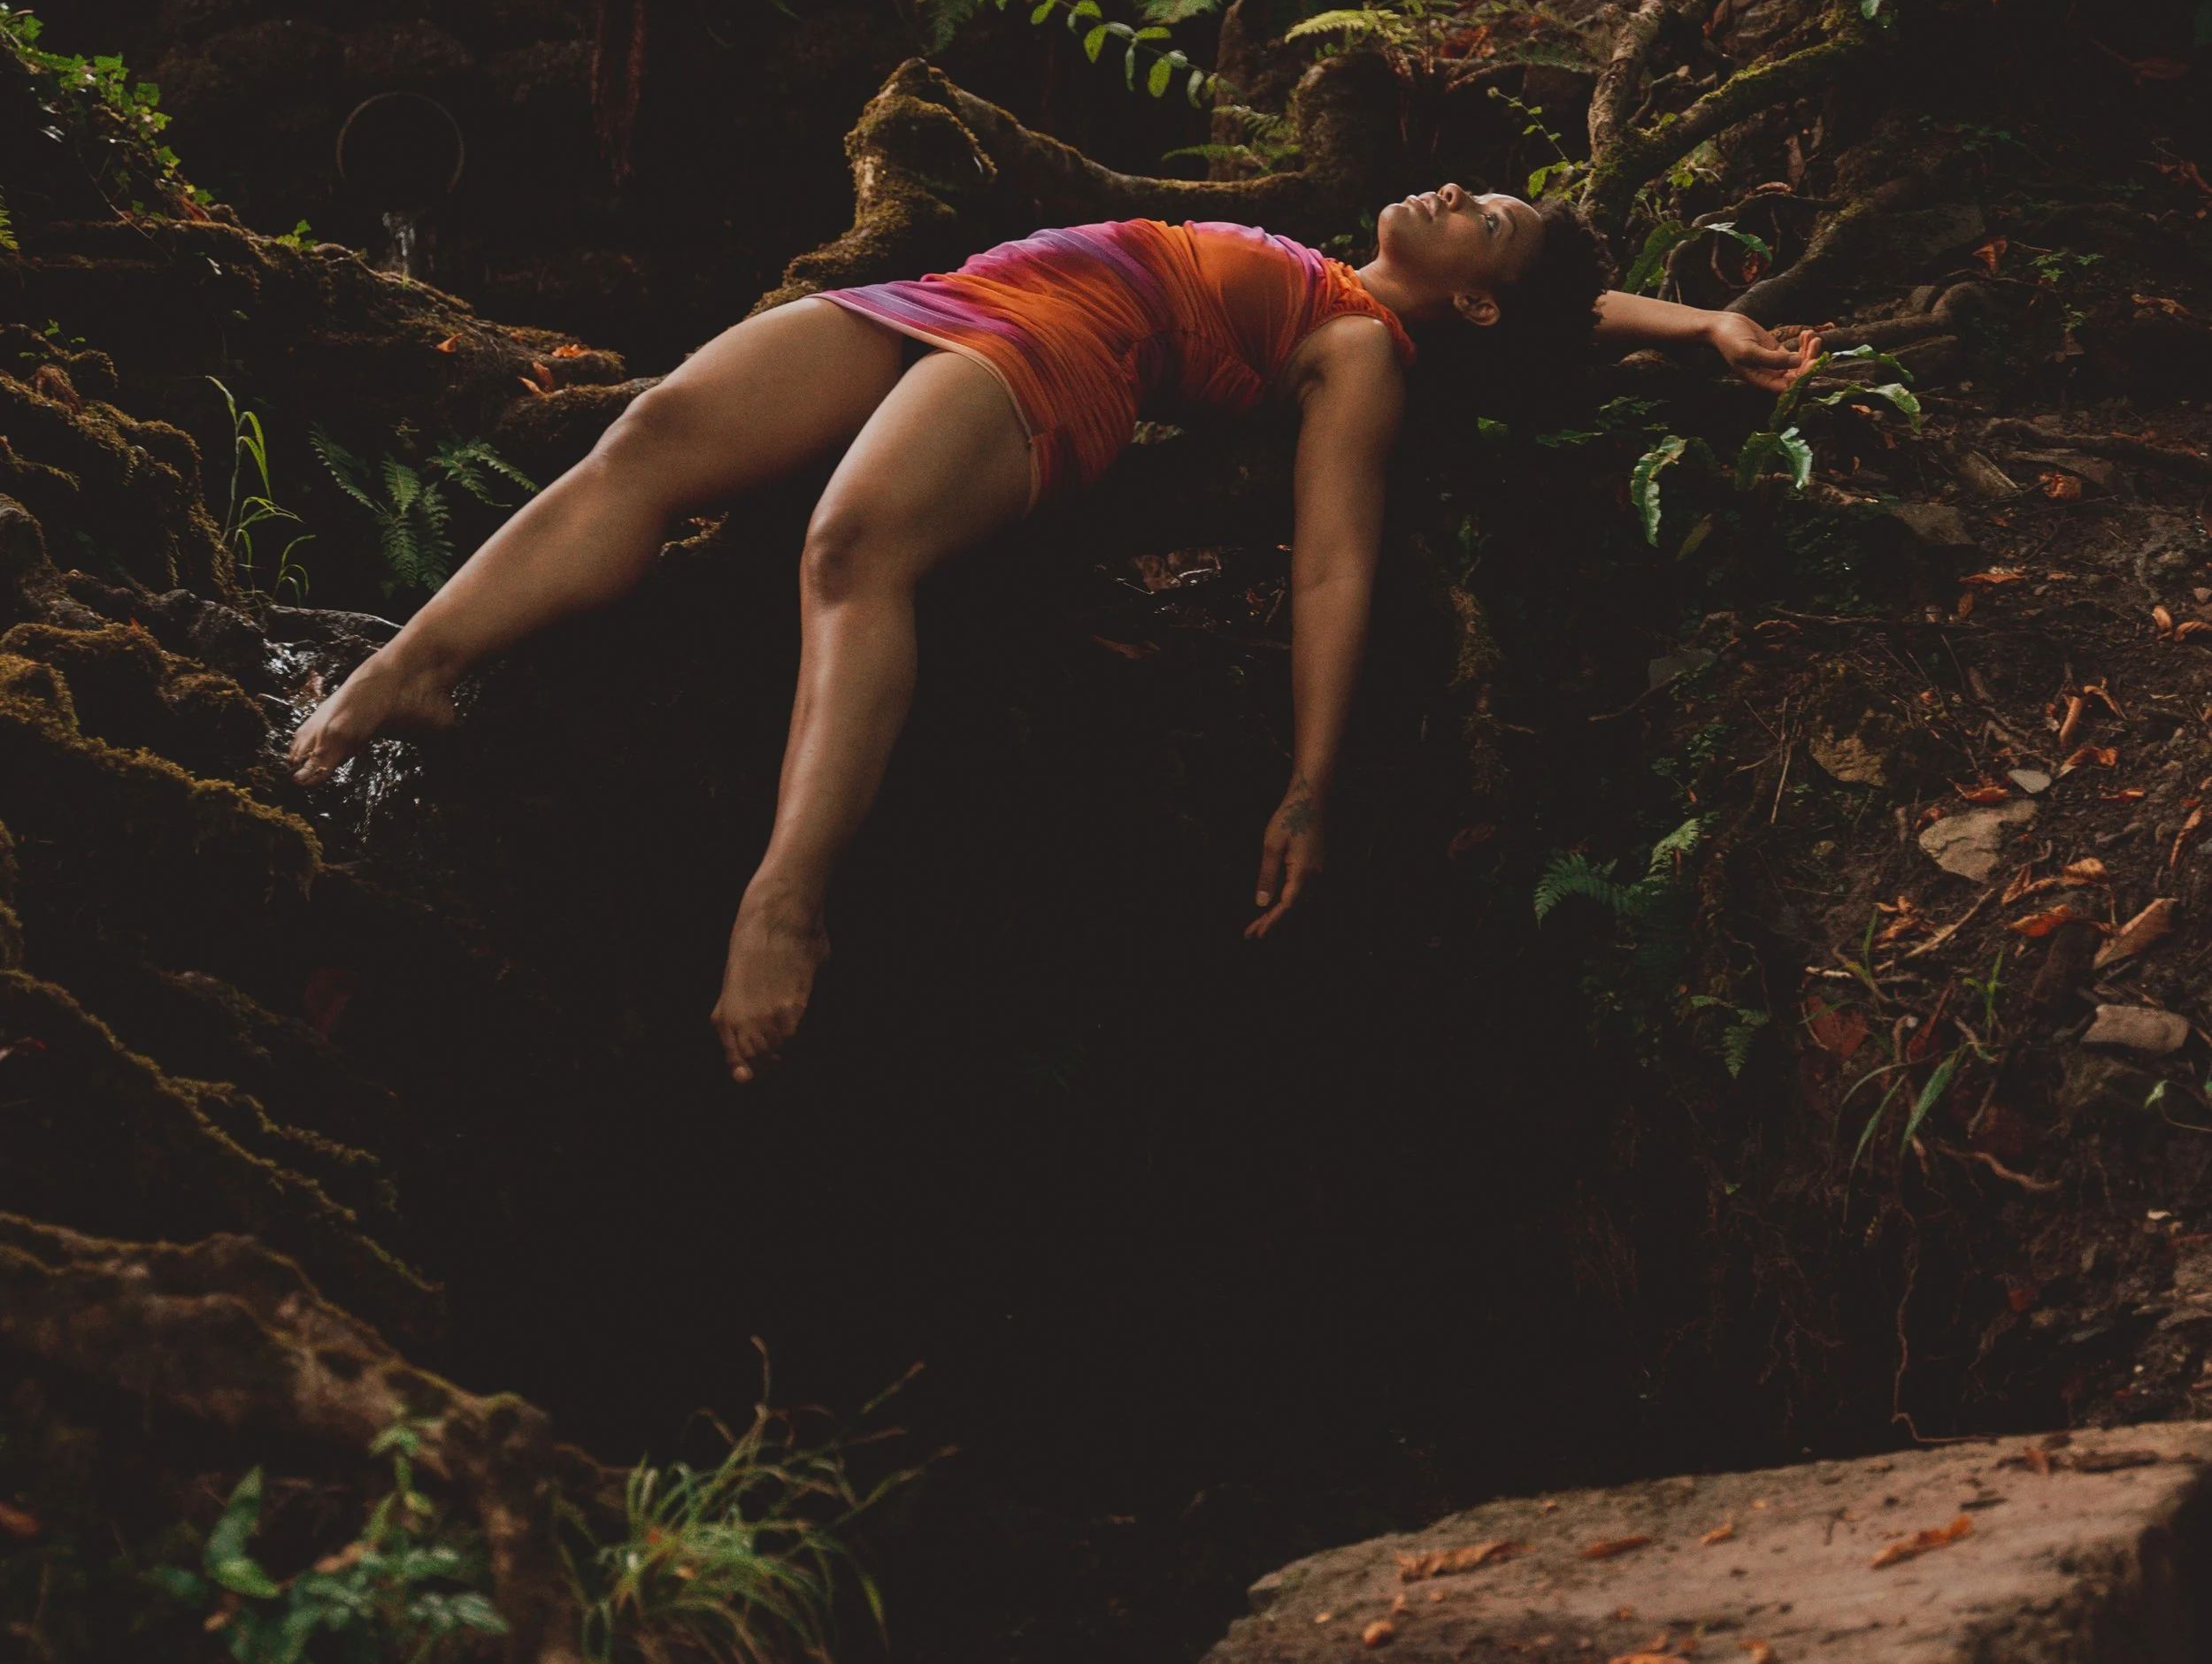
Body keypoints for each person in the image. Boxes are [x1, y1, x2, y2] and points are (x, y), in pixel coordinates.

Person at [290, 191, 1809, 1079]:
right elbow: (1573, 306)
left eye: (1483, 215)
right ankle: (406, 667)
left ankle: (787, 896)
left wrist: (1309, 783)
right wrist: (1704, 324)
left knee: (849, 548)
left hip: (1063, 350)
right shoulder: (1380, 282)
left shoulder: (1361, 350)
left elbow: (1334, 563)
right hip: (958, 294)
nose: (1454, 192)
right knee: (654, 433)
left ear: (1477, 304)